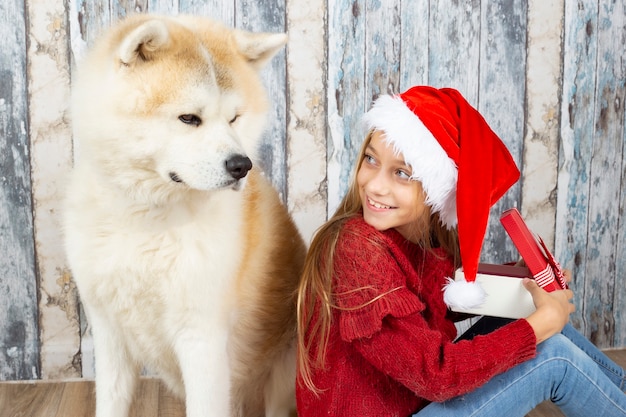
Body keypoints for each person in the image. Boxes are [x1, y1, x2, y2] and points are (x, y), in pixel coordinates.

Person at [295, 85, 626, 417]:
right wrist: (540, 325)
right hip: (414, 398)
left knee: (547, 325)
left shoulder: (415, 238)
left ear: (437, 190)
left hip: (414, 402)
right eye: (371, 159)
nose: (374, 185)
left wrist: (527, 284)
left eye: (401, 173)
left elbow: (440, 303)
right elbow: (435, 375)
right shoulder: (357, 248)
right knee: (553, 354)